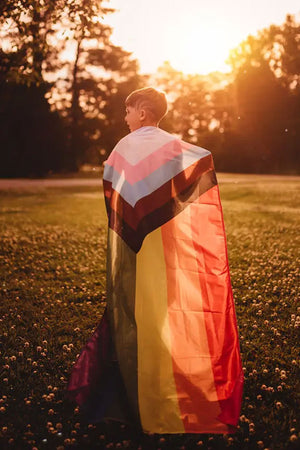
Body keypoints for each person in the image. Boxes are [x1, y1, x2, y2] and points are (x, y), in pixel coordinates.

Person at [67, 87, 243, 434]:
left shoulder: (125, 146)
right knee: (160, 313)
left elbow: (114, 189)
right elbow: (195, 165)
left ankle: (129, 392)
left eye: (128, 110)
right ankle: (165, 383)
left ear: (143, 112)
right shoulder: (172, 145)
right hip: (164, 250)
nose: (125, 117)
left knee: (133, 312)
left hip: (132, 250)